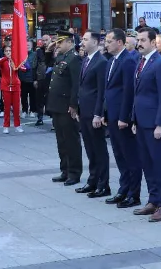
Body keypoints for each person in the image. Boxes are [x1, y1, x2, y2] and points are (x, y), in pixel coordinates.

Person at [132, 27, 161, 222]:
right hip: (140, 122)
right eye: (137, 40)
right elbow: (137, 94)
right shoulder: (140, 62)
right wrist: (133, 119)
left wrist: (160, 125)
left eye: (142, 40)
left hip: (154, 125)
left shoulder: (160, 64)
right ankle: (153, 200)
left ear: (153, 42)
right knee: (146, 163)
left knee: (158, 164)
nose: (139, 43)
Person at [103, 28, 142, 208]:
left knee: (130, 156)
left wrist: (124, 117)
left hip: (122, 117)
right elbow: (108, 90)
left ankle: (134, 194)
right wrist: (105, 113)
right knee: (119, 155)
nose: (106, 44)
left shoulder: (127, 61)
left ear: (120, 42)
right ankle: (123, 189)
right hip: (111, 115)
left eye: (110, 41)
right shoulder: (111, 61)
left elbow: (128, 91)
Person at [47, 30, 83, 185]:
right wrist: (49, 51)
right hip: (57, 105)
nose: (57, 45)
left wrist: (74, 105)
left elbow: (76, 85)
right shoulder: (62, 57)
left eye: (60, 42)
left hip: (67, 106)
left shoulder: (74, 59)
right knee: (61, 141)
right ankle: (65, 170)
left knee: (71, 141)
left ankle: (74, 173)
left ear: (69, 42)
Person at [76, 31, 110, 198]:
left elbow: (101, 91)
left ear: (95, 42)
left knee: (99, 149)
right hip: (84, 111)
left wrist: (98, 114)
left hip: (94, 113)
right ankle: (92, 181)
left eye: (85, 39)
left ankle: (104, 184)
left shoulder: (101, 62)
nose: (82, 42)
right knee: (90, 149)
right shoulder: (86, 60)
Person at [0, 44, 25, 134]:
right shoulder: (2, 60)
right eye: (6, 51)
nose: (8, 52)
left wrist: (16, 63)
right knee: (7, 108)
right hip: (6, 87)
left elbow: (24, 69)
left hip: (16, 86)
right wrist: (7, 58)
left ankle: (17, 125)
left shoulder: (16, 60)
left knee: (16, 108)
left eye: (10, 51)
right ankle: (6, 126)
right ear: (4, 52)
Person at [31, 43, 49, 126]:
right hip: (40, 79)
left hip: (50, 80)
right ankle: (40, 118)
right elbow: (34, 66)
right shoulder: (38, 52)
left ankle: (53, 120)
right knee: (39, 100)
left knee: (49, 100)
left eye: (47, 40)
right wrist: (34, 79)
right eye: (43, 40)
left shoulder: (54, 51)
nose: (45, 42)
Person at [19, 44, 36, 119]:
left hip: (32, 79)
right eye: (26, 45)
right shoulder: (21, 55)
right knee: (23, 96)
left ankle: (32, 110)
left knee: (32, 96)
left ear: (32, 46)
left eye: (29, 45)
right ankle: (24, 110)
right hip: (23, 79)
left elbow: (35, 66)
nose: (27, 46)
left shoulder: (35, 54)